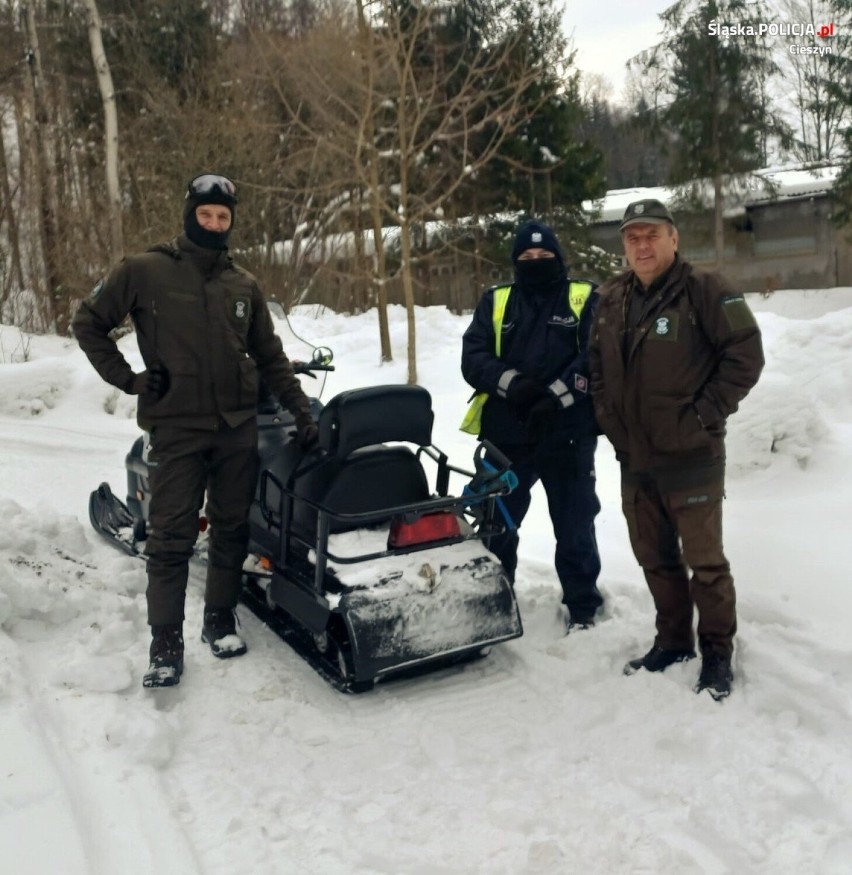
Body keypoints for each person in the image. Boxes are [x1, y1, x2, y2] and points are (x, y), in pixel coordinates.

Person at [73, 173, 318, 689]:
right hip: (176, 429)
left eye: (222, 218)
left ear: (230, 224)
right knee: (170, 538)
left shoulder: (242, 285)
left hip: (235, 428)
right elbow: (88, 322)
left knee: (231, 529)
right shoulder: (144, 270)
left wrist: (302, 412)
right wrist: (130, 379)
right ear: (189, 215)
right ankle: (165, 644)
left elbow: (271, 358)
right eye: (205, 215)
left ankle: (219, 620)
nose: (213, 224)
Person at [589, 198, 764, 699]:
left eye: (651, 235)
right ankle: (672, 642)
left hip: (691, 457)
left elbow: (745, 356)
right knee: (655, 556)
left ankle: (716, 655)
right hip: (636, 458)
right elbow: (597, 367)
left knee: (705, 563)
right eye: (632, 237)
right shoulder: (612, 296)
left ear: (673, 239)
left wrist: (703, 415)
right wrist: (609, 419)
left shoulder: (707, 290)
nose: (642, 246)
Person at [461, 219, 604, 632]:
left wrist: (555, 396)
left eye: (544, 257)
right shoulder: (496, 301)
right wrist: (517, 387)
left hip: (568, 432)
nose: (536, 262)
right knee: (496, 519)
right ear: (515, 262)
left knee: (575, 522)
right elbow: (474, 357)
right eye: (526, 258)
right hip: (508, 433)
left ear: (559, 258)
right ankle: (492, 596)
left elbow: (595, 357)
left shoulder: (584, 297)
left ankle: (583, 608)